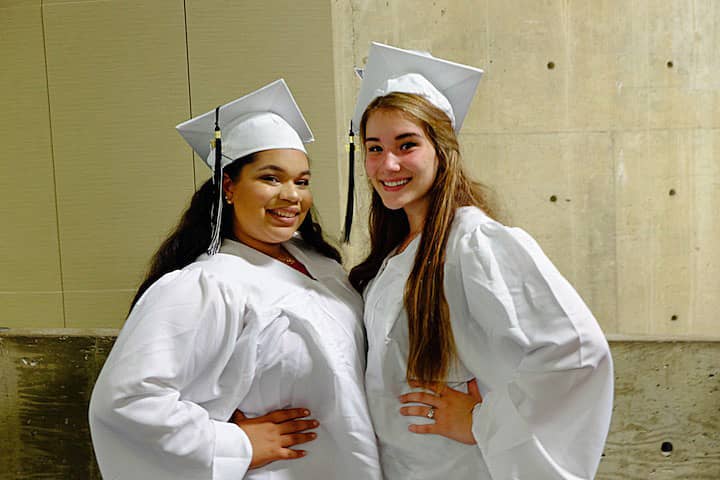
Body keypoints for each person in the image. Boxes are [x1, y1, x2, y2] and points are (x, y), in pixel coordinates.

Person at [89, 79, 380, 480]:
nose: (292, 195)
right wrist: (236, 445)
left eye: (302, 180)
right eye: (271, 178)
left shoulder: (321, 266)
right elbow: (125, 402)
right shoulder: (209, 284)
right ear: (228, 186)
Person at [348, 42, 614, 479]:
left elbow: (576, 353)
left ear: (442, 150)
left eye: (406, 144)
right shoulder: (395, 251)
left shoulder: (473, 241)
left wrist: (481, 420)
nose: (387, 163)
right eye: (374, 148)